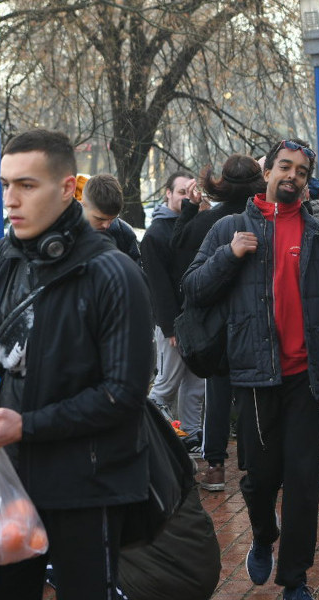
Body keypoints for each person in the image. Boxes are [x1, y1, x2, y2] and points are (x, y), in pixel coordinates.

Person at [0, 130, 153, 600]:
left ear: (67, 189)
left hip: (89, 483)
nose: (10, 200)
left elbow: (123, 393)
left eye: (26, 185)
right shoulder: (4, 257)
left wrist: (27, 425)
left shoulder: (113, 273)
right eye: (5, 185)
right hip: (11, 476)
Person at [184, 138, 319, 600]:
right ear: (267, 172)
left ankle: (294, 580)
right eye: (285, 167)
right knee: (261, 479)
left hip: (307, 380)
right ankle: (264, 534)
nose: (292, 177)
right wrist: (229, 255)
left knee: (304, 483)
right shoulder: (229, 229)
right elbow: (193, 289)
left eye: (301, 172)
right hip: (254, 377)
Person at [171, 153, 265, 492]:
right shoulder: (262, 221)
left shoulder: (207, 221)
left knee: (217, 394)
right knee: (256, 397)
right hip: (256, 320)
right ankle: (257, 464)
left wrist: (189, 211)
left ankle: (215, 466)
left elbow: (178, 250)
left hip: (215, 323)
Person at [142, 170, 204, 442]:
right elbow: (158, 287)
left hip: (196, 319)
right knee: (167, 383)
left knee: (196, 382)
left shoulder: (195, 224)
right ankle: (151, 435)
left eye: (191, 192)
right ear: (168, 193)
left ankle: (191, 433)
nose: (186, 198)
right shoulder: (155, 234)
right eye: (181, 192)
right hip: (173, 323)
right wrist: (170, 327)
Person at [81, 173, 142, 263]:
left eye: (113, 218)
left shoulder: (124, 234)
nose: (106, 225)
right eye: (100, 219)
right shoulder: (66, 232)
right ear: (84, 205)